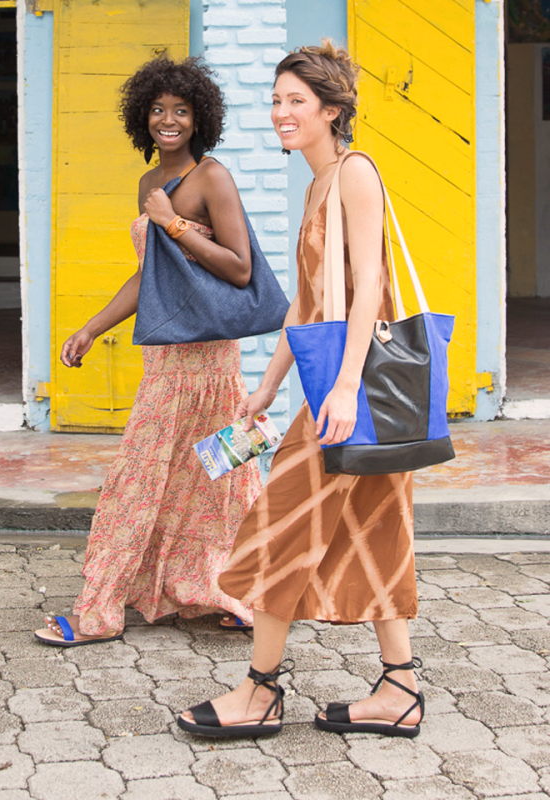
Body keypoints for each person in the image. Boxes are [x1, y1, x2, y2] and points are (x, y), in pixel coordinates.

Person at [178, 41, 424, 738]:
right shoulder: (317, 185)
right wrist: (267, 385)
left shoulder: (354, 174)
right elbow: (308, 304)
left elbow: (369, 287)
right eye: (278, 101)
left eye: (297, 101)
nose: (282, 113)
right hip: (335, 389)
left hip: (355, 394)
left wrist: (343, 390)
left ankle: (259, 691)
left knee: (277, 527)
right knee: (378, 533)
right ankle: (398, 689)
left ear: (332, 111)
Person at [35, 56, 262, 646]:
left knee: (218, 477)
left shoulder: (212, 178)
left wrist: (173, 223)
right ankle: (169, 597)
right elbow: (150, 277)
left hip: (212, 360)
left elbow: (241, 270)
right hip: (165, 357)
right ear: (143, 118)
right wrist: (92, 327)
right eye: (158, 110)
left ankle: (190, 597)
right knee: (160, 476)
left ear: (199, 119)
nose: (168, 120)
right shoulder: (147, 184)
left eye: (180, 111)